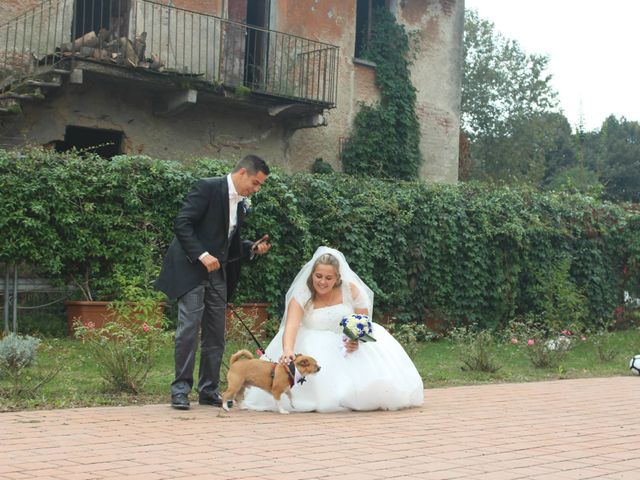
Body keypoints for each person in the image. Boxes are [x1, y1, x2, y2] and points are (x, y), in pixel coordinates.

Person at [242, 246, 424, 412]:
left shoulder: (351, 290)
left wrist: (356, 340)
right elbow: (291, 325)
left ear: (337, 278)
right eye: (318, 276)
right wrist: (288, 349)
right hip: (312, 343)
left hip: (345, 344)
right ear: (312, 274)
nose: (322, 282)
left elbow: (363, 321)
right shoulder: (302, 294)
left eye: (328, 278)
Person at [155, 154, 272, 410]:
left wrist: (251, 248)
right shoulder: (207, 187)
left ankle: (208, 390)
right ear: (242, 172)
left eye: (259, 185)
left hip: (218, 274)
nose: (256, 189)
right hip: (191, 271)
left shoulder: (241, 203)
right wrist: (202, 254)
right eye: (255, 183)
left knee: (216, 334)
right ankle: (180, 390)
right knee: (188, 331)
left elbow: (226, 242)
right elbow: (182, 223)